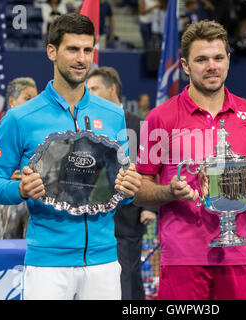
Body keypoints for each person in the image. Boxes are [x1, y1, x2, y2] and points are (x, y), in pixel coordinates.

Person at [0, 13, 142, 300]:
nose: (82, 58)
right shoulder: (20, 118)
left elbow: (118, 187)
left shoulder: (114, 115)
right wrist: (19, 189)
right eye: (72, 49)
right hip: (47, 265)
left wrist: (129, 190)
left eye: (87, 50)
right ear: (52, 51)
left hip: (104, 261)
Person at [134, 20, 246, 300]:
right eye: (201, 59)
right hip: (182, 259)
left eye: (218, 58)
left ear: (228, 61)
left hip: (240, 256)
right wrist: (168, 192)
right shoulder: (159, 118)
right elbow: (140, 190)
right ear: (186, 66)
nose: (211, 66)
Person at [86, 66, 157, 300]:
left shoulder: (139, 125)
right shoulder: (86, 126)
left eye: (94, 88)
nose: (89, 93)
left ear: (112, 89)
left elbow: (150, 169)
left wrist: (149, 207)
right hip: (92, 219)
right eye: (87, 89)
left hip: (127, 220)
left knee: (127, 278)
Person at [0, 77, 38, 239]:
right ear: (12, 101)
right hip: (3, 207)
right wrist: (7, 179)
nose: (33, 103)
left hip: (31, 206)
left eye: (35, 98)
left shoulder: (39, 136)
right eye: (28, 98)